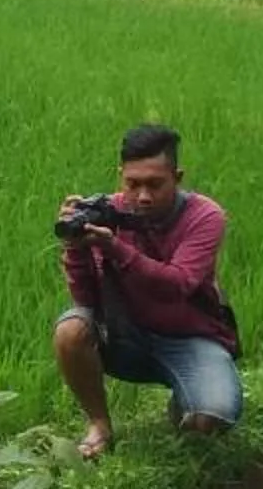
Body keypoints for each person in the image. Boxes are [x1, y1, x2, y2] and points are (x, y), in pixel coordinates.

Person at [53, 122, 242, 457]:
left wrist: (115, 249)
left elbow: (177, 284)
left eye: (155, 184)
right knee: (70, 329)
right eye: (133, 184)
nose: (142, 196)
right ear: (120, 176)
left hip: (189, 337)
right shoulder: (106, 212)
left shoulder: (204, 216)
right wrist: (76, 248)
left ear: (178, 177)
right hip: (127, 336)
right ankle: (99, 425)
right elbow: (85, 299)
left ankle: (187, 401)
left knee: (210, 419)